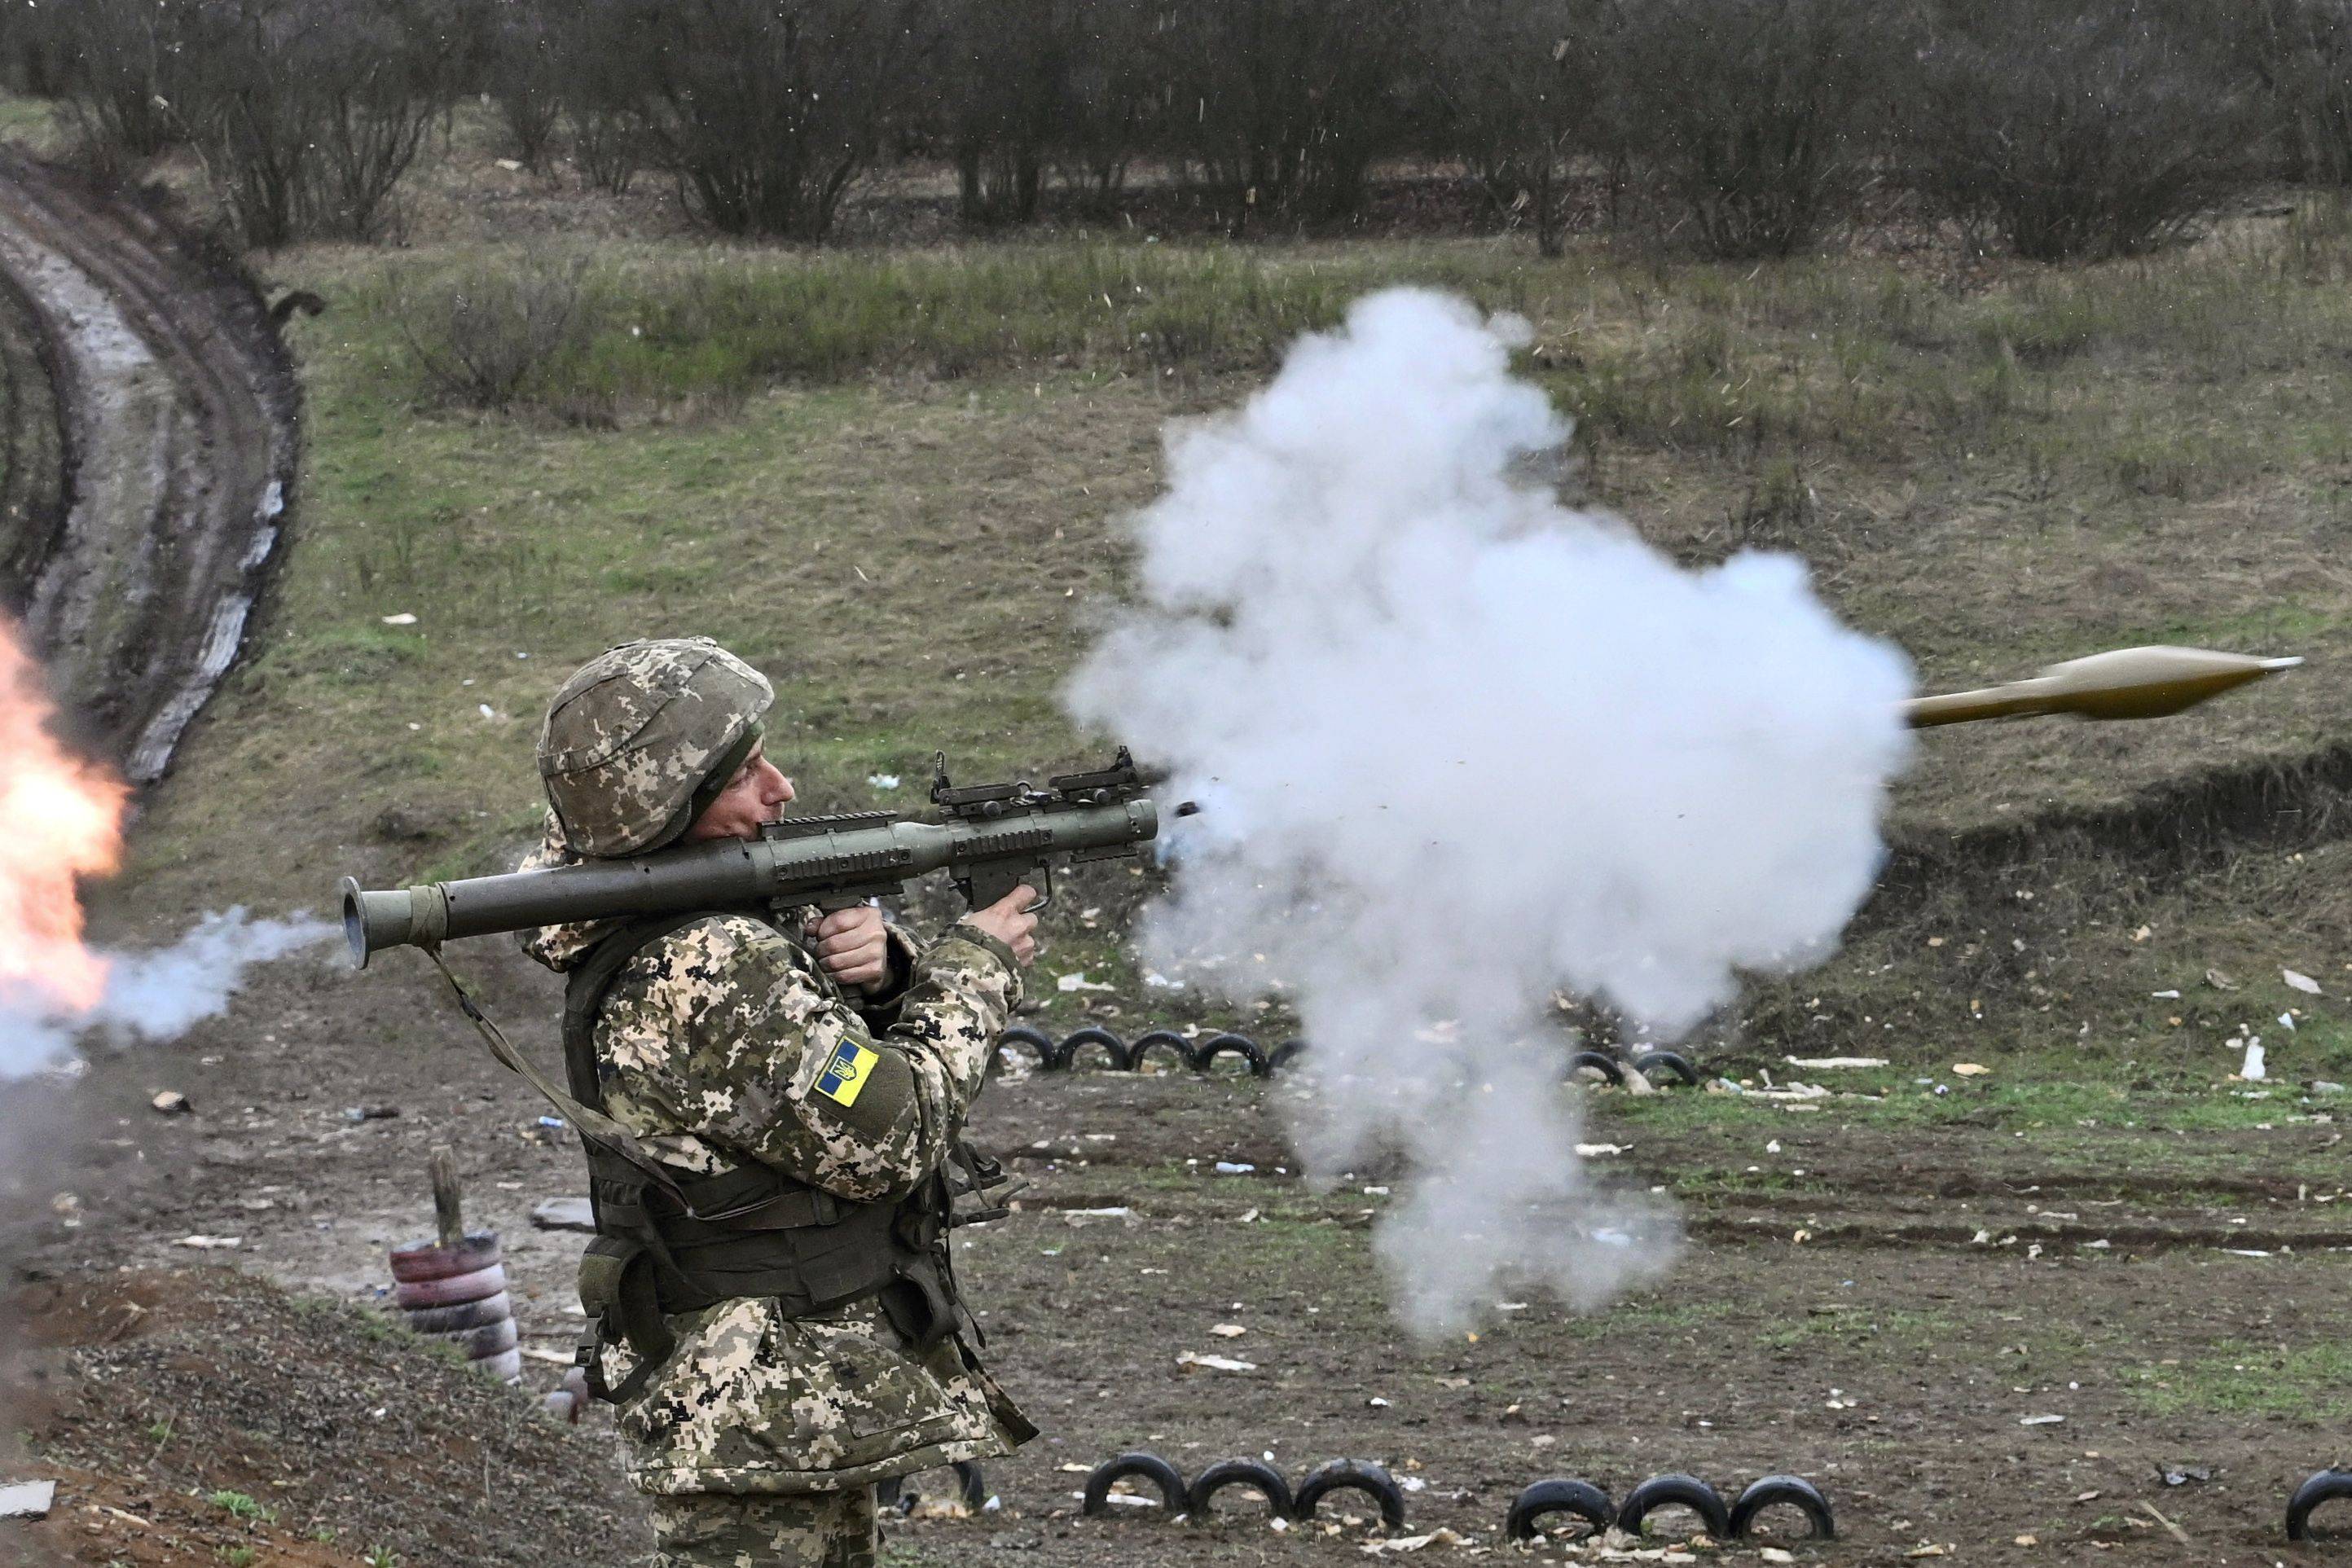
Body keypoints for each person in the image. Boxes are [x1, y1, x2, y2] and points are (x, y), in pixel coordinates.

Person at [515, 636, 1038, 1568]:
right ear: (665, 807)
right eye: (743, 773)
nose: (781, 788)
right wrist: (976, 967)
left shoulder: (680, 932)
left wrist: (884, 974)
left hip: (772, 1397)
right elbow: (895, 1132)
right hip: (758, 1401)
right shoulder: (709, 965)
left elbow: (798, 1081)